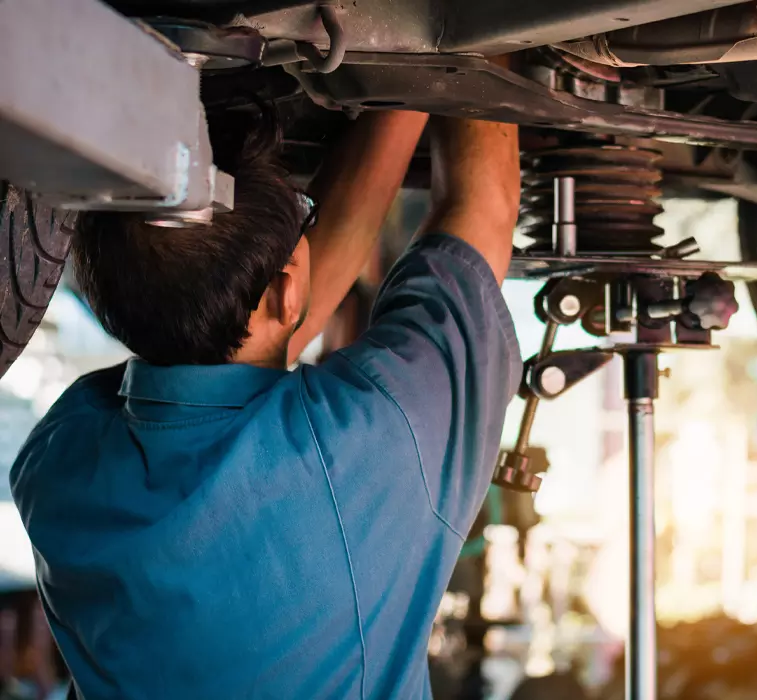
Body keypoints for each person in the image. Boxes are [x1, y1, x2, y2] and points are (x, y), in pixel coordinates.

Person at [8, 107, 521, 699]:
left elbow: (480, 211)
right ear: (285, 291)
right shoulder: (59, 459)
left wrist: (420, 86)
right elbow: (248, 339)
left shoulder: (59, 467)